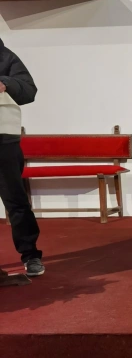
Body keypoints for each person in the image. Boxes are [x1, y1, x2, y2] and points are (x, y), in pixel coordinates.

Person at [0, 37, 43, 277]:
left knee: (16, 202)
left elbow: (29, 91)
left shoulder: (5, 57)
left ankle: (31, 255)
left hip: (3, 141)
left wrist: (5, 83)